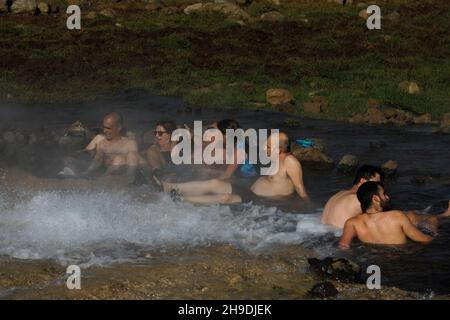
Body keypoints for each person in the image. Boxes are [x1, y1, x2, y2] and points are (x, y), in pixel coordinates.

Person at [154, 119, 244, 205]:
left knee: (210, 179)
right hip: (214, 180)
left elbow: (227, 175)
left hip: (233, 184)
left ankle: (176, 190)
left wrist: (206, 180)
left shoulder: (239, 150)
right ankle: (174, 188)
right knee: (193, 166)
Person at [339, 181, 450, 249]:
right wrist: (441, 240)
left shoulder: (352, 222)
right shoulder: (397, 216)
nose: (388, 197)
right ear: (375, 198)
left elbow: (343, 246)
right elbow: (424, 239)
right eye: (384, 194)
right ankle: (444, 215)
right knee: (431, 220)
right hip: (401, 260)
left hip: (374, 260)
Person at [72, 112, 139, 183]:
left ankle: (126, 180)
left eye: (108, 128)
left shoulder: (129, 143)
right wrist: (73, 156)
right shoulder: (100, 141)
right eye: (104, 127)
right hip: (103, 170)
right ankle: (91, 175)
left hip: (120, 173)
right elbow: (92, 156)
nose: (104, 131)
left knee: (120, 159)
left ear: (119, 127)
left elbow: (133, 161)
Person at [250, 132, 309, 201]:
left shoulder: (289, 161)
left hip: (272, 205)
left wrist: (308, 205)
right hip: (259, 203)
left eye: (268, 147)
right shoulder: (275, 160)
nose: (264, 148)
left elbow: (299, 187)